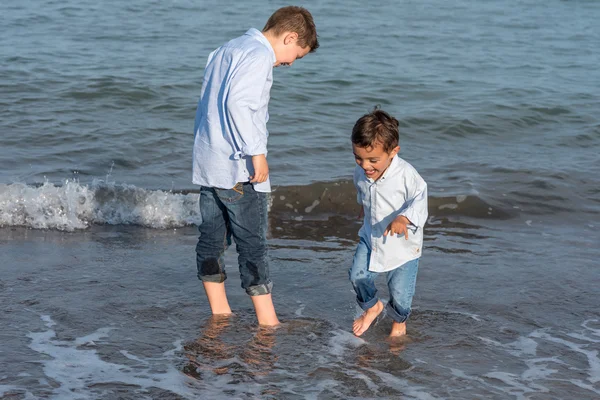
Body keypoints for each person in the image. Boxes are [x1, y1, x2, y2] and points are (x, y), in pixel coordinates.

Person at [192, 6, 319, 326]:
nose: (290, 63)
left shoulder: (226, 49)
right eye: (296, 55)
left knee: (212, 239)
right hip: (239, 169)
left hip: (210, 164)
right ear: (290, 37)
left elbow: (209, 103)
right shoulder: (259, 55)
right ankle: (267, 322)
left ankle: (220, 314)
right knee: (253, 245)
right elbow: (239, 103)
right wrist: (256, 152)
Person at [349, 108, 428, 338]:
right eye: (358, 158)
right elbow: (362, 190)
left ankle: (399, 323)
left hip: (403, 246)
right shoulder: (361, 172)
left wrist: (404, 218)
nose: (365, 165)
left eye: (373, 160)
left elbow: (420, 198)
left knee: (401, 292)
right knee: (357, 275)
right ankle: (373, 306)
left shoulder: (406, 175)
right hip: (371, 236)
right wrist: (363, 206)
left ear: (393, 152)